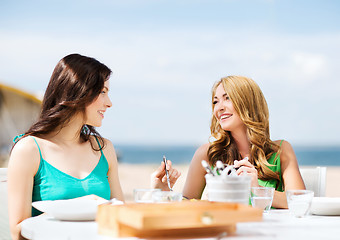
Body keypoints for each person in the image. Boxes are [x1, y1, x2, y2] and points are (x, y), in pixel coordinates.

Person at [7, 53, 179, 240]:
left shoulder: (104, 149)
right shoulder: (29, 150)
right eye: (103, 92)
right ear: (79, 91)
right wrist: (74, 209)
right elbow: (17, 232)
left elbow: (120, 219)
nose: (109, 103)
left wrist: (155, 193)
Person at [181, 75, 305, 208]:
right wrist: (163, 190)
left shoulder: (280, 150)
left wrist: (257, 189)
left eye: (227, 98)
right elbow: (186, 204)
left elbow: (300, 201)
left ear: (248, 103)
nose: (219, 108)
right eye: (215, 102)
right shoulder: (206, 153)